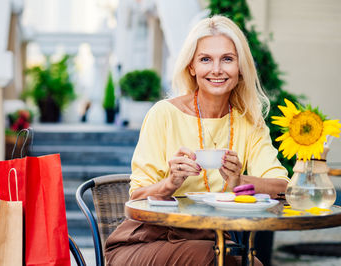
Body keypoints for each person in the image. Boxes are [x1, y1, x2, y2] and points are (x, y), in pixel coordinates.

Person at [105, 15, 289, 265]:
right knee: (212, 258)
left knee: (249, 263)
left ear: (240, 67)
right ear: (191, 67)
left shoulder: (249, 122)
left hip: (213, 243)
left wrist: (239, 181)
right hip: (146, 241)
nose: (216, 70)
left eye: (227, 59)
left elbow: (282, 186)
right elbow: (136, 197)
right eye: (205, 59)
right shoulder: (164, 114)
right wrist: (170, 183)